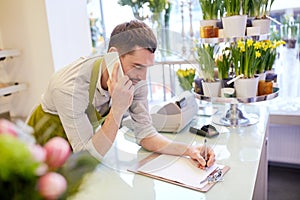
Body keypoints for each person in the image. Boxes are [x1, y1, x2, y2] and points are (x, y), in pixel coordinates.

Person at [27, 20, 215, 169]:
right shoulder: (69, 86)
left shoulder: (135, 80)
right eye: (137, 66)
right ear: (113, 55)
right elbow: (87, 155)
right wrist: (117, 109)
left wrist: (188, 150)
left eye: (147, 67)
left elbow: (146, 134)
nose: (143, 77)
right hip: (41, 144)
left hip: (80, 147)